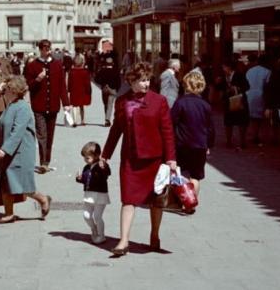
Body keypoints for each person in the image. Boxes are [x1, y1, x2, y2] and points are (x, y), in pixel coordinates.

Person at [101, 62, 177, 256]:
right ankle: (123, 241)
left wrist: (171, 159)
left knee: (155, 200)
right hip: (130, 159)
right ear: (131, 81)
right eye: (142, 80)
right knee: (128, 199)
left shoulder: (159, 101)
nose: (146, 84)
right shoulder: (122, 101)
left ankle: (154, 235)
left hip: (154, 159)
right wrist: (105, 155)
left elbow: (167, 132)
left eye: (148, 80)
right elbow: (116, 130)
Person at [0, 75, 52, 224]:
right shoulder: (11, 105)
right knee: (6, 182)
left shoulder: (23, 107)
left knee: (21, 184)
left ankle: (43, 199)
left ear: (13, 91)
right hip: (9, 151)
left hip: (20, 152)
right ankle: (9, 213)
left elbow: (17, 132)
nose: (4, 91)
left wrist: (5, 149)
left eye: (7, 89)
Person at [24, 39, 70, 173]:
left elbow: (62, 86)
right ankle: (43, 162)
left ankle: (47, 160)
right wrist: (37, 79)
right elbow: (27, 85)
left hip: (54, 105)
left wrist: (66, 104)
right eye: (44, 48)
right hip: (39, 105)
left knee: (50, 134)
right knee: (42, 134)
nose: (47, 51)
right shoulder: (32, 66)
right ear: (40, 49)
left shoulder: (57, 65)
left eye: (49, 48)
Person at [170, 70, 214, 208]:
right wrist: (209, 145)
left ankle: (182, 199)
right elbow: (210, 128)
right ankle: (191, 203)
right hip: (200, 145)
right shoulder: (206, 105)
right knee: (195, 176)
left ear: (185, 85)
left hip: (182, 144)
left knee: (181, 173)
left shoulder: (180, 103)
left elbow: (171, 123)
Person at [76, 141, 111, 244]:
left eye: (87, 158)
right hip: (89, 195)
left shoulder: (101, 166)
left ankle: (101, 235)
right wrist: (79, 178)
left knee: (97, 216)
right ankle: (94, 228)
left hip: (100, 196)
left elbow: (107, 173)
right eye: (84, 158)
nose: (85, 160)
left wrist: (103, 166)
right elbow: (84, 180)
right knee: (86, 215)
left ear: (96, 156)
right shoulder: (86, 167)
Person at [216, 61, 249, 151]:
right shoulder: (223, 77)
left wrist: (236, 88)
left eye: (224, 67)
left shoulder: (240, 75)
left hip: (239, 100)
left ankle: (242, 141)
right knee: (228, 122)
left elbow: (247, 86)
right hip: (228, 102)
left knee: (242, 121)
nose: (223, 69)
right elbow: (219, 88)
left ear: (229, 67)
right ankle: (229, 141)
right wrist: (218, 83)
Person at [245, 53, 271, 147]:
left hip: (250, 95)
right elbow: (268, 86)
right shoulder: (267, 72)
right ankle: (258, 136)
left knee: (252, 118)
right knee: (261, 119)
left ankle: (253, 135)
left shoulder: (250, 71)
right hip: (261, 96)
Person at [68, 54, 92, 127]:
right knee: (81, 106)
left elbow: (69, 82)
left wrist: (69, 89)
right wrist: (89, 91)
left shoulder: (71, 72)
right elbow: (87, 83)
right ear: (82, 63)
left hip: (74, 90)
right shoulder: (85, 72)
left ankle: (75, 121)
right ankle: (82, 121)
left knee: (74, 105)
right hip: (83, 91)